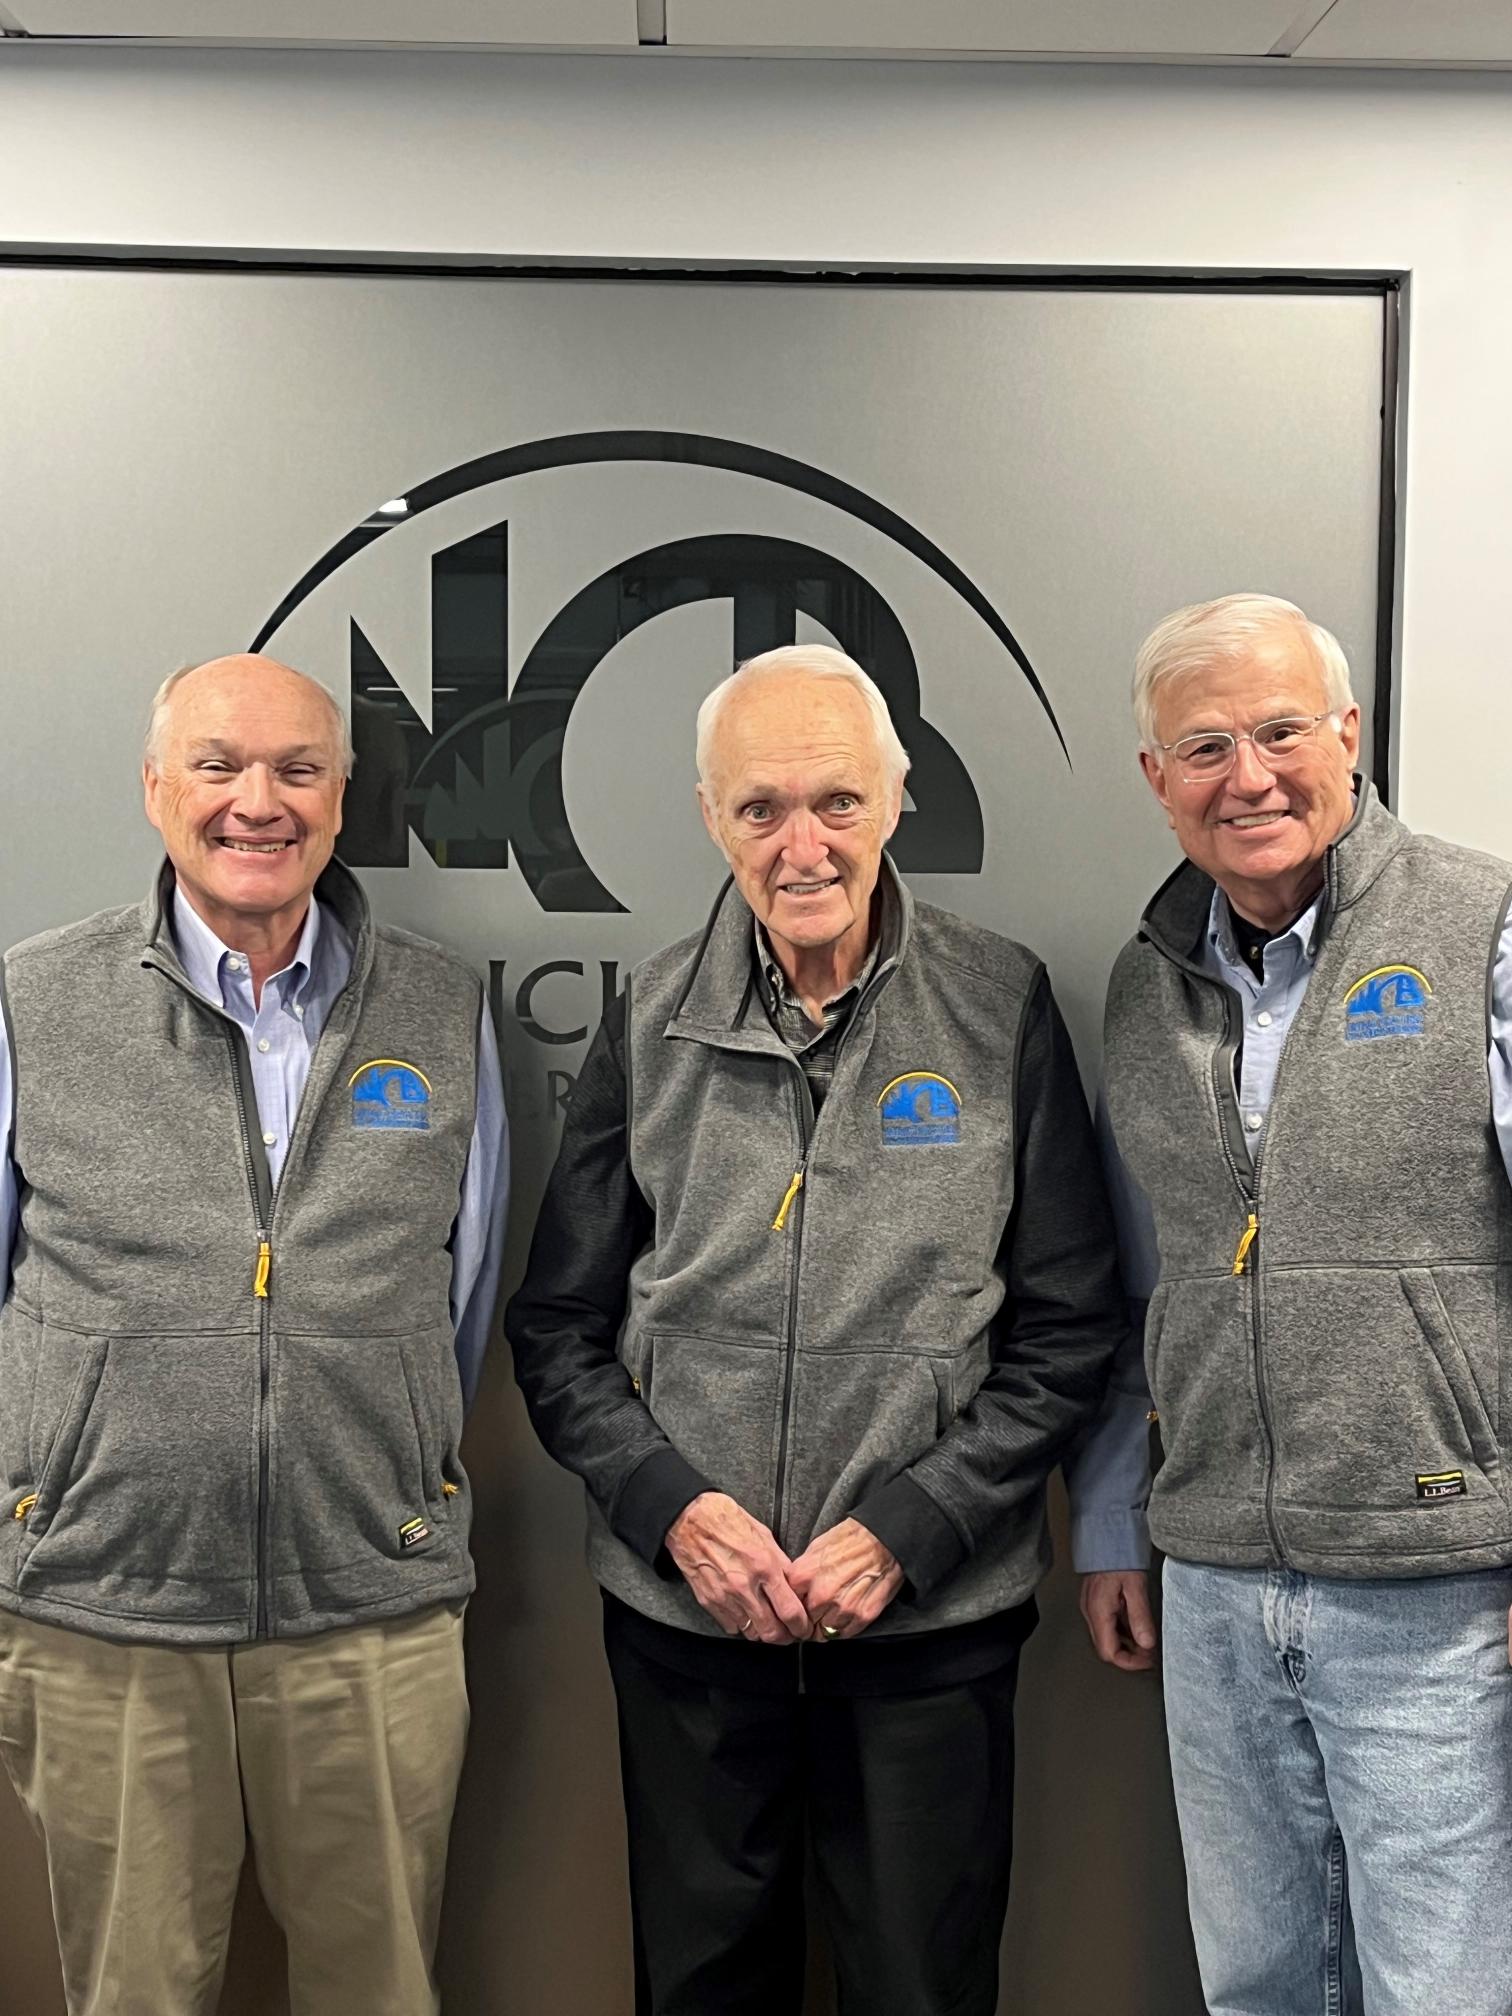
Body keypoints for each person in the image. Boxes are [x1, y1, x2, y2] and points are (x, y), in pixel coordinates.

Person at [508, 643, 1124, 2016]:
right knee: (703, 1986)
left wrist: (909, 1528)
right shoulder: (650, 1017)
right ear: (713, 817)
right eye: (762, 808)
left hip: (930, 1630)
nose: (804, 846)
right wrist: (675, 1512)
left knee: (922, 1987)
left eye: (837, 802)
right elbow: (556, 1327)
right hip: (688, 1627)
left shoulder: (1000, 1004)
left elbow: (1069, 1329)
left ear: (899, 802)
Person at [0, 654, 509, 2016]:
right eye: (218, 766)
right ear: (158, 788)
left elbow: (458, 1301)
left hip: (370, 1616)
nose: (256, 803)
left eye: (296, 770)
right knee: (134, 1997)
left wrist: (379, 1457)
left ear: (342, 798)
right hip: (109, 1611)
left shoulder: (438, 1006)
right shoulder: (33, 1000)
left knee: (379, 1991)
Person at [1071, 593, 1512, 2016]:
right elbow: (1149, 1284)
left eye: (1277, 731)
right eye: (1203, 746)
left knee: (1441, 1989)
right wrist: (1109, 1519)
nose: (1247, 776)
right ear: (1156, 780)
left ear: (1348, 734)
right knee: (1256, 1982)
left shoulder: (1482, 926)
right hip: (1212, 1589)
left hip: (1439, 1588)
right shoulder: (1145, 989)